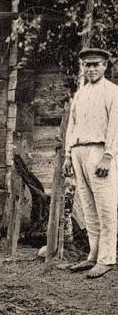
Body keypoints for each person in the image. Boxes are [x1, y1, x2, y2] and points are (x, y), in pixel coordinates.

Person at [63, 48, 118, 279]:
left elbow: (116, 125)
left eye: (96, 64)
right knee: (88, 207)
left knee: (105, 207)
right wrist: (68, 154)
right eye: (87, 65)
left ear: (105, 66)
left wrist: (109, 154)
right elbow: (71, 125)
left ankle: (107, 259)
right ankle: (93, 255)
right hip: (79, 151)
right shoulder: (80, 93)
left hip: (99, 151)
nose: (91, 69)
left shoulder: (113, 91)